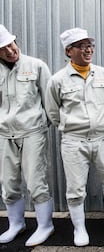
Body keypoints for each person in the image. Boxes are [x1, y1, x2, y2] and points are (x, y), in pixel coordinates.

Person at [45, 27, 104, 246]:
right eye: (81, 46)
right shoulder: (57, 80)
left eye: (90, 45)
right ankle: (80, 229)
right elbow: (53, 113)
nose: (88, 50)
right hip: (74, 141)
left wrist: (99, 122)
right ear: (69, 51)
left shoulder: (102, 74)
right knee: (75, 188)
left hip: (101, 138)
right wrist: (73, 127)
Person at [0, 25, 54, 247]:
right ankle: (16, 224)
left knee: (35, 180)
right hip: (5, 134)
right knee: (8, 182)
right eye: (3, 49)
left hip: (32, 132)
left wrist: (42, 125)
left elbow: (49, 101)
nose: (10, 50)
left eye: (11, 44)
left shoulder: (36, 66)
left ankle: (45, 225)